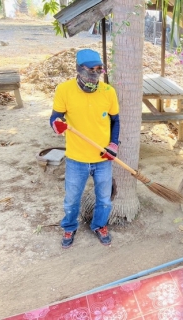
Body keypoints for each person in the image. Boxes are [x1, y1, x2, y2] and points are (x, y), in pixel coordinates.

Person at [49, 49, 120, 248]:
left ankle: (99, 225)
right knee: (72, 199)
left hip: (102, 157)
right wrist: (57, 125)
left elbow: (116, 121)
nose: (95, 73)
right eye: (91, 69)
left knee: (104, 199)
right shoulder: (64, 90)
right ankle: (69, 227)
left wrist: (113, 144)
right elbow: (55, 117)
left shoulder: (108, 91)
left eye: (99, 69)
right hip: (76, 158)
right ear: (79, 69)